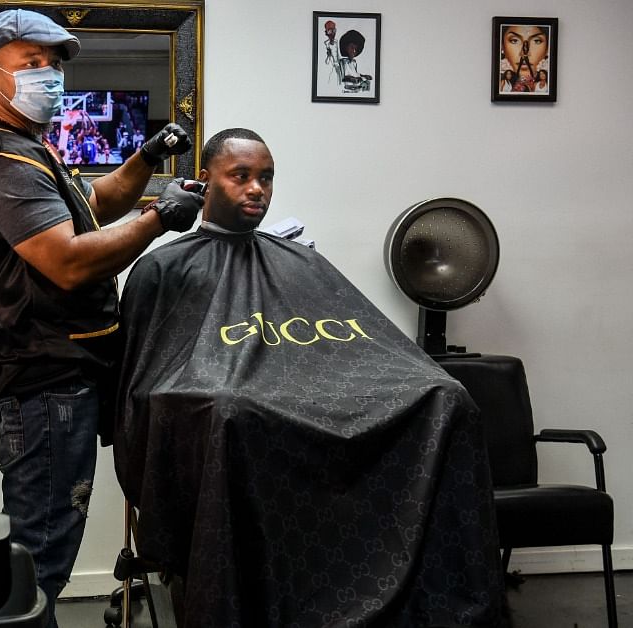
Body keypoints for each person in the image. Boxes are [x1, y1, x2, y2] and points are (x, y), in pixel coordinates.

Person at [114, 128, 504, 626]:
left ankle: (436, 603)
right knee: (228, 410)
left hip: (296, 414)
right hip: (243, 423)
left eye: (266, 178)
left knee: (448, 395)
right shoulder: (163, 267)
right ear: (204, 181)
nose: (257, 188)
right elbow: (143, 387)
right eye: (241, 176)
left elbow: (354, 346)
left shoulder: (301, 260)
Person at [0, 8, 204, 625]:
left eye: (54, 64)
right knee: (41, 556)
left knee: (40, 549)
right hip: (43, 385)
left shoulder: (30, 151)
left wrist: (146, 160)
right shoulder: (5, 163)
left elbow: (90, 205)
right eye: (31, 63)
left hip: (64, 378)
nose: (50, 76)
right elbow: (66, 261)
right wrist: (158, 219)